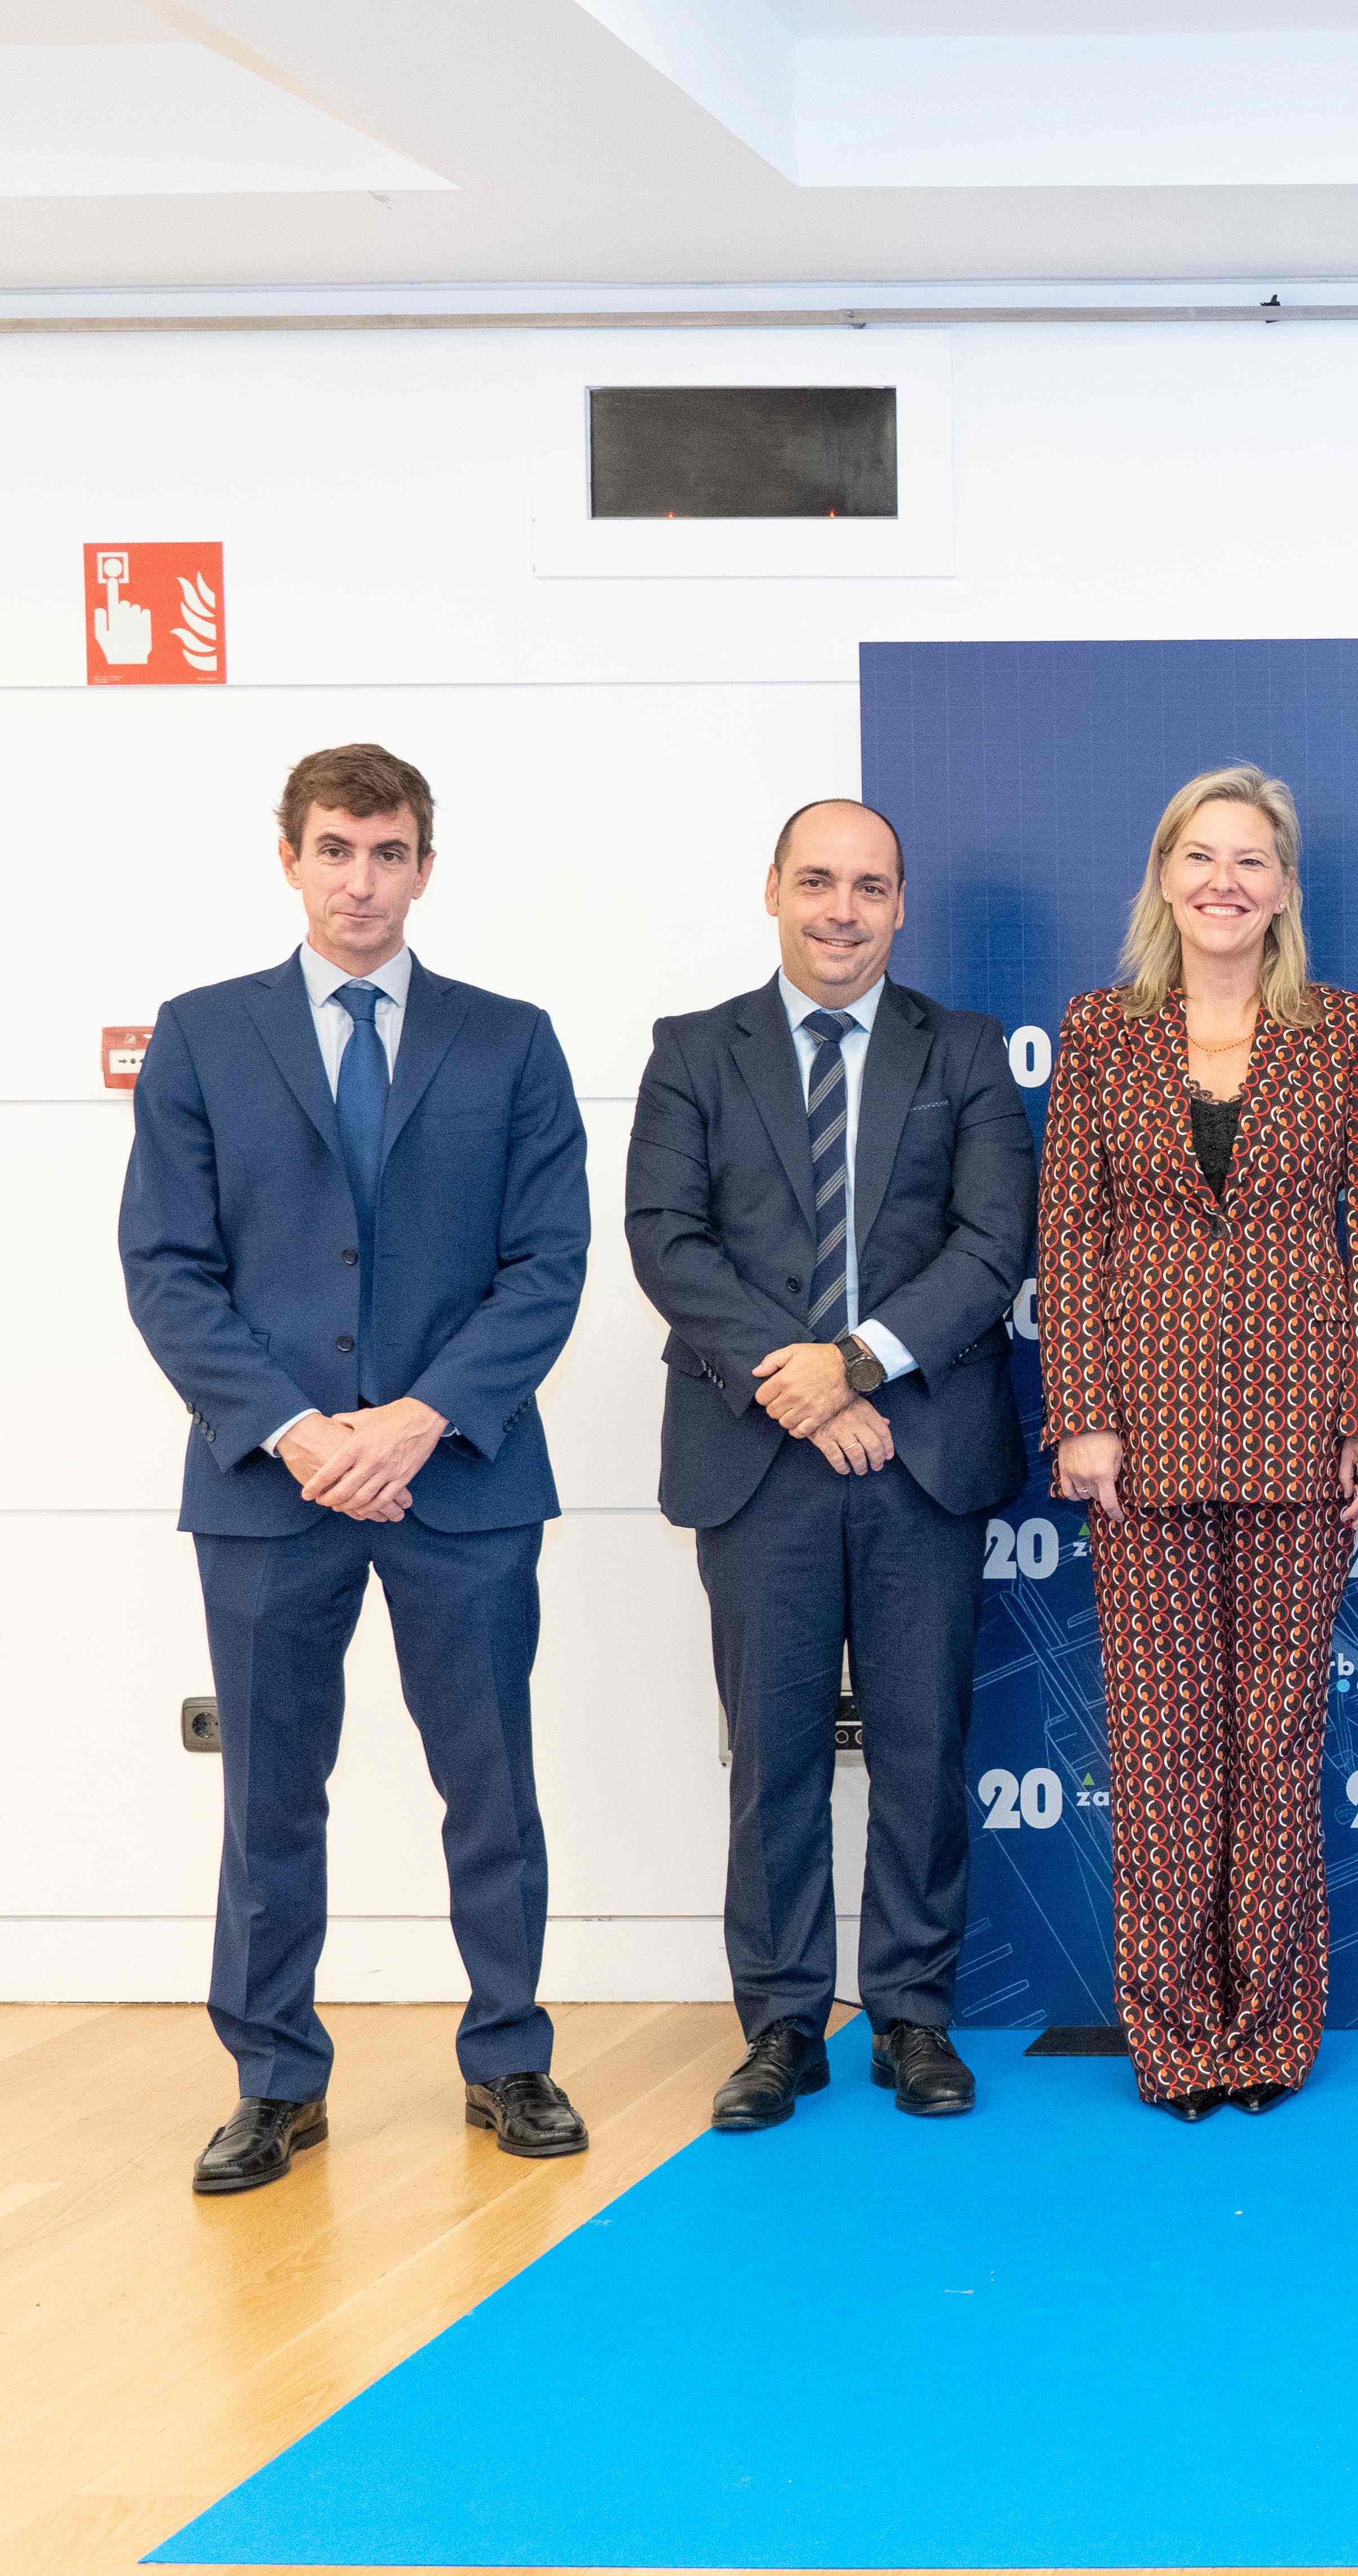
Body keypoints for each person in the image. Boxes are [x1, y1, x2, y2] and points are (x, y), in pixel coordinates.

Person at [120, 744, 593, 2193]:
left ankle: (509, 2057)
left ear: (425, 869)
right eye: (336, 850)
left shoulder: (510, 1039)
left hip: (459, 1480)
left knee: (491, 1785)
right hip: (272, 1488)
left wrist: (415, 1421)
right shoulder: (202, 1037)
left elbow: (546, 1264)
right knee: (270, 1794)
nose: (362, 881)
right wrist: (303, 1430)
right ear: (291, 859)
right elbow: (167, 1268)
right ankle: (274, 2081)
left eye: (389, 854)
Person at [626, 799, 1035, 2134]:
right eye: (818, 882)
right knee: (775, 1757)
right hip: (758, 1459)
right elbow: (668, 1242)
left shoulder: (963, 1051)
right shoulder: (692, 1052)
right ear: (773, 892)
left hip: (918, 1455)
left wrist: (852, 1362)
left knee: (923, 1751)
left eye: (869, 887)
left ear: (902, 905)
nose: (841, 910)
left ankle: (913, 2016)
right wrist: (800, 1387)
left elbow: (991, 1246)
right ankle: (782, 2026)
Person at [1039, 764, 1358, 2119]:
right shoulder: (1099, 1031)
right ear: (1162, 875)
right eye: (1201, 856)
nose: (1224, 883)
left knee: (1274, 1742)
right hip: (1136, 1446)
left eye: (1251, 861)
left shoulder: (1344, 1030)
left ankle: (1267, 2030)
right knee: (1159, 1749)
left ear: (1284, 890)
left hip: (1299, 1437)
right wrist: (1078, 1411)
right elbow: (1068, 1235)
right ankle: (1173, 2034)